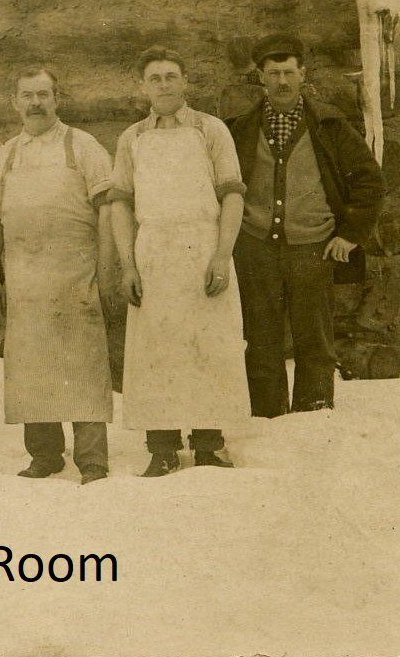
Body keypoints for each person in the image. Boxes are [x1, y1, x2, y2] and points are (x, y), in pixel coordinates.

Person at [226, 33, 384, 417]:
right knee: (261, 340)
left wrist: (349, 235)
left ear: (303, 75)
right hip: (256, 247)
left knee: (315, 341)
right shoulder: (240, 128)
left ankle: (314, 421)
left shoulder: (329, 125)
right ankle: (267, 420)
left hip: (313, 249)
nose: (282, 81)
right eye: (273, 73)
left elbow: (370, 181)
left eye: (289, 73)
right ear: (261, 77)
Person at [110, 47, 251, 476]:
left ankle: (209, 443)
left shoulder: (210, 130)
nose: (164, 85)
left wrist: (222, 254)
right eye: (155, 78)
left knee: (207, 343)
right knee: (157, 347)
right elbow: (120, 204)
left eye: (172, 76)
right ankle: (163, 446)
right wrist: (128, 264)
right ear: (142, 87)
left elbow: (232, 195)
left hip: (203, 247)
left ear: (186, 81)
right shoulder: (131, 138)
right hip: (153, 251)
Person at [0, 66, 116, 484]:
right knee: (32, 367)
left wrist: (106, 269)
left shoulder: (82, 145)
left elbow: (108, 209)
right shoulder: (8, 153)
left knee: (83, 365)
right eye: (27, 95)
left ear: (58, 99)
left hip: (76, 274)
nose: (35, 103)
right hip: (24, 277)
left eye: (43, 94)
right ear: (15, 102)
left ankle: (92, 461)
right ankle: (45, 455)